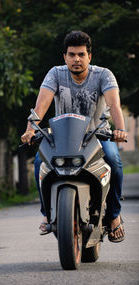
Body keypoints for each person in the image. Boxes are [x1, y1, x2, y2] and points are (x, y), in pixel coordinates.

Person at [21, 30, 127, 242]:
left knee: (114, 162)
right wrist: (30, 129)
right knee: (40, 162)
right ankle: (47, 214)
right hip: (63, 137)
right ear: (65, 57)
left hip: (98, 136)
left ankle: (114, 215)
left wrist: (120, 129)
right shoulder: (55, 74)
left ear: (90, 56)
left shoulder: (104, 74)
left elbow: (114, 104)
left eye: (81, 54)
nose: (76, 59)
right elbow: (41, 105)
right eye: (71, 54)